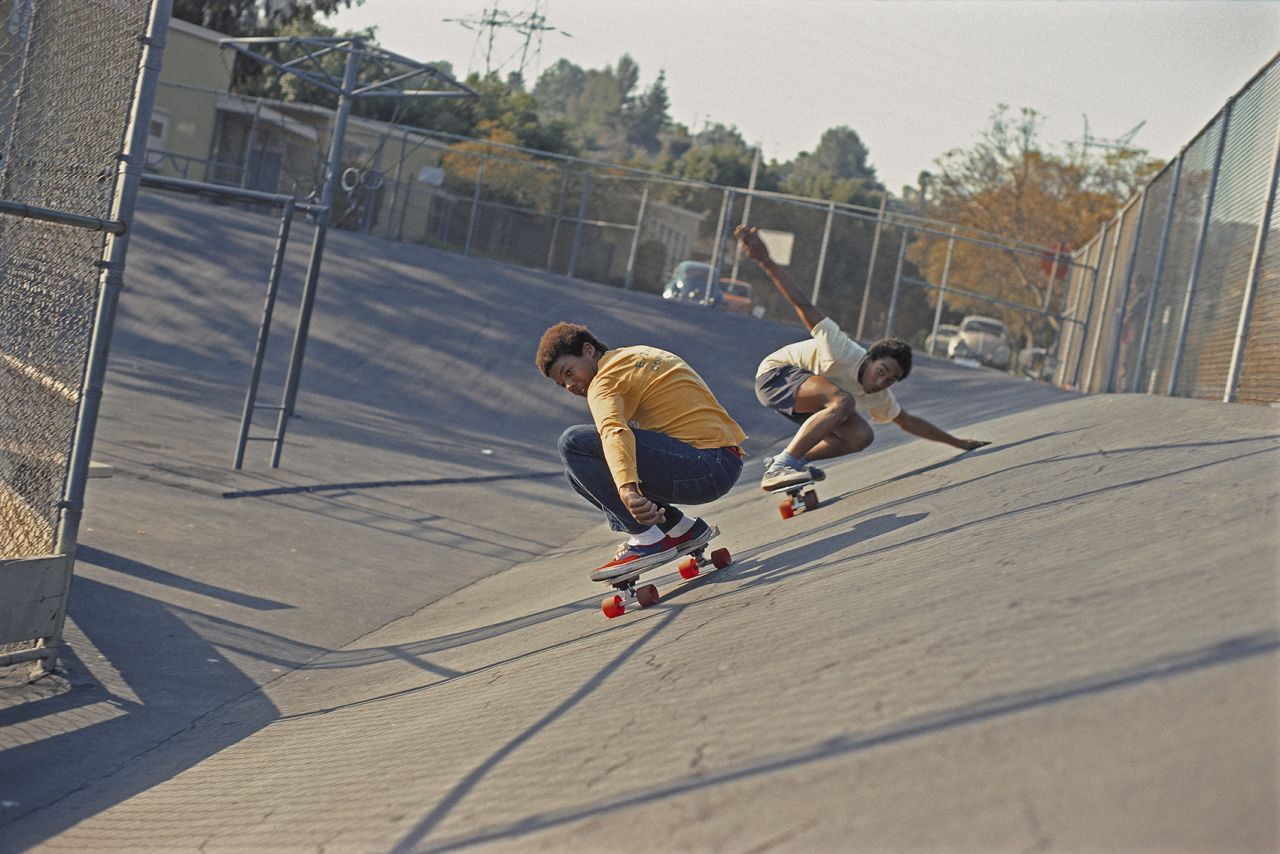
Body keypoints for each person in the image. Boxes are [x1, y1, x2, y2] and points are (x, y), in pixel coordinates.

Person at [734, 225, 990, 491]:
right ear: (870, 358)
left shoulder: (878, 395)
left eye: (890, 380)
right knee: (843, 401)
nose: (881, 383)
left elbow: (907, 421)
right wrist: (765, 261)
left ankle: (789, 461)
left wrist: (959, 443)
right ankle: (780, 467)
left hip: (807, 394)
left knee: (861, 436)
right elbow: (804, 305)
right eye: (881, 372)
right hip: (776, 375)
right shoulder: (842, 348)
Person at [536, 321, 747, 579]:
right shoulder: (634, 355)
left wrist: (627, 490)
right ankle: (681, 529)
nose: (570, 386)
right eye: (562, 384)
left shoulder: (604, 380)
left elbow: (613, 431)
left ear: (588, 350)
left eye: (568, 372)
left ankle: (647, 539)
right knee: (577, 472)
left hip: (704, 466)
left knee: (573, 443)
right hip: (721, 460)